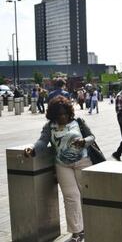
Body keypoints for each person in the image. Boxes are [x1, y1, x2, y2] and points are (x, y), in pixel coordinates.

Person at [23, 96, 94, 242]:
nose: (62, 116)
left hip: (83, 162)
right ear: (53, 115)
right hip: (62, 165)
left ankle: (90, 226)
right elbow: (42, 141)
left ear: (69, 112)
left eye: (64, 113)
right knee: (70, 197)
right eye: (59, 114)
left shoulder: (78, 122)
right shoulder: (50, 126)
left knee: (86, 195)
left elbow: (91, 137)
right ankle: (77, 232)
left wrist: (84, 141)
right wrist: (32, 148)